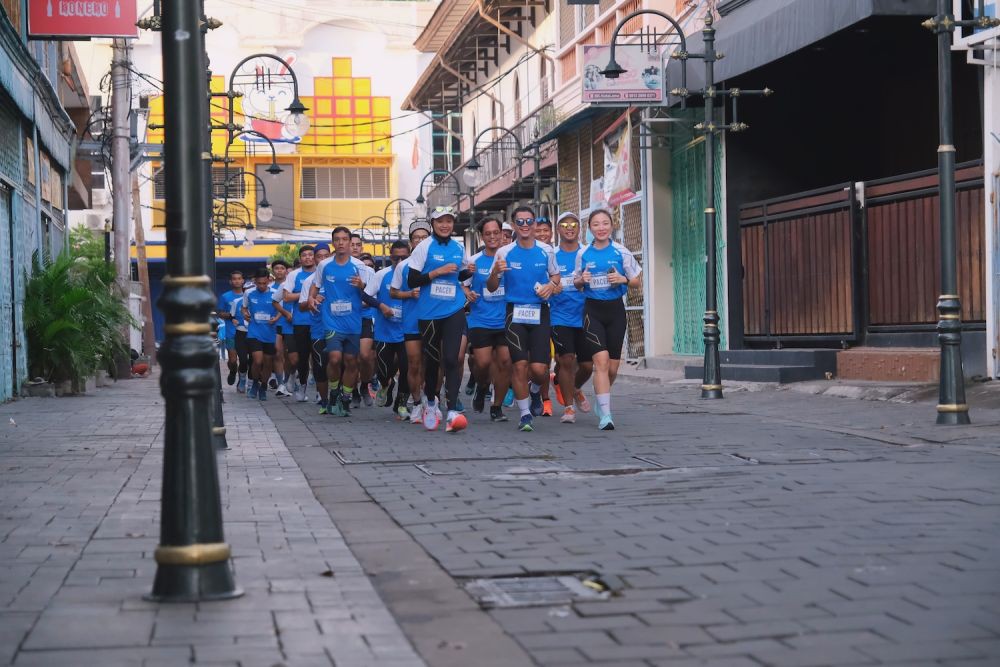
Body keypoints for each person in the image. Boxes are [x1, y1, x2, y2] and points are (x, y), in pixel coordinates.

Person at [487, 205, 560, 432]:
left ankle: (536, 390)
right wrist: (495, 273)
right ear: (514, 225)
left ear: (535, 225)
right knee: (519, 365)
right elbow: (490, 288)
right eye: (521, 222)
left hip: (540, 312)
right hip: (515, 312)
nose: (526, 226)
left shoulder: (546, 250)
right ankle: (525, 414)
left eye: (530, 222)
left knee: (539, 370)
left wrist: (551, 286)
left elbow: (557, 279)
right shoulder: (504, 252)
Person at [573, 208, 642, 430]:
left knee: (612, 368)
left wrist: (622, 278)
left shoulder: (622, 251)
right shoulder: (583, 254)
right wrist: (581, 280)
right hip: (592, 310)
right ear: (590, 228)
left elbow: (636, 281)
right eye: (596, 224)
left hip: (615, 311)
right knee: (600, 362)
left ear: (611, 226)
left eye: (605, 223)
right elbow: (576, 281)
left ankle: (601, 401)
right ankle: (606, 415)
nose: (601, 228)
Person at [406, 207, 473, 433]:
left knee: (452, 358)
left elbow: (460, 274)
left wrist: (468, 271)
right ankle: (432, 403)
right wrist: (436, 272)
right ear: (432, 223)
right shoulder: (424, 247)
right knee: (432, 361)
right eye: (440, 221)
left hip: (453, 308)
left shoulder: (458, 247)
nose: (445, 225)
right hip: (429, 313)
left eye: (449, 221)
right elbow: (411, 279)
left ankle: (453, 410)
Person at [308, 227, 374, 417]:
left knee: (352, 361)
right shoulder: (324, 265)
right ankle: (334, 391)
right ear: (333, 243)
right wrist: (312, 298)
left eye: (345, 239)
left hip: (354, 322)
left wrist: (362, 286)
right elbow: (315, 285)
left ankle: (345, 396)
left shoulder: (360, 266)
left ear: (349, 241)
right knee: (335, 358)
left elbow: (370, 292)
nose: (341, 243)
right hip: (332, 321)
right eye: (337, 239)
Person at [464, 217, 511, 422]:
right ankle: (482, 387)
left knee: (505, 362)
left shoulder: (511, 256)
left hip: (506, 320)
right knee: (482, 363)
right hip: (480, 319)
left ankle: (496, 407)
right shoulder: (473, 261)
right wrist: (467, 293)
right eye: (488, 233)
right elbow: (462, 283)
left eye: (496, 232)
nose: (492, 236)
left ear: (502, 234)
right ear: (481, 236)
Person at [549, 212, 593, 423]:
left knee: (587, 366)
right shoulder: (552, 255)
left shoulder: (587, 253)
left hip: (585, 315)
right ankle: (568, 408)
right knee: (566, 360)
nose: (569, 227)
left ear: (579, 228)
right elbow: (541, 281)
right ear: (558, 229)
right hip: (560, 316)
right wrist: (550, 288)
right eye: (564, 224)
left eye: (573, 224)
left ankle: (575, 389)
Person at [390, 222, 431, 426]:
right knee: (413, 363)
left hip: (435, 321)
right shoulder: (403, 266)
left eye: (425, 237)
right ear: (411, 241)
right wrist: (409, 293)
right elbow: (393, 292)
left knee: (432, 364)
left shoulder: (437, 262)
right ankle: (416, 403)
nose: (421, 241)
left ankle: (431, 400)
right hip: (411, 322)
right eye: (417, 237)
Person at [366, 241, 411, 419]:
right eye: (395, 257)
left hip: (408, 331)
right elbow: (365, 295)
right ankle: (387, 385)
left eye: (404, 257)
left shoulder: (414, 274)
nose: (399, 261)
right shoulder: (381, 275)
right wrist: (381, 306)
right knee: (384, 371)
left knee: (407, 369)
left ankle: (401, 404)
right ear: (389, 256)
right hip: (385, 331)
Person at [242, 267, 291, 401]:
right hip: (254, 331)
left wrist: (276, 318)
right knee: (257, 361)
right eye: (259, 283)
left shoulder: (276, 293)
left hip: (270, 333)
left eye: (264, 283)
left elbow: (281, 309)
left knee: (268, 362)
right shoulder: (249, 293)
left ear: (269, 280)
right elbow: (244, 308)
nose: (262, 286)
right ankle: (254, 384)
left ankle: (264, 386)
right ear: (255, 282)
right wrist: (245, 314)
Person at [279, 245, 317, 402]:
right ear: (300, 258)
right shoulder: (294, 275)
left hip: (320, 321)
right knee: (302, 357)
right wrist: (306, 295)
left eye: (310, 255)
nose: (307, 257)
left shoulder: (320, 273)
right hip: (300, 322)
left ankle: (321, 393)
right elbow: (286, 297)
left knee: (318, 357)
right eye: (304, 255)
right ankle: (302, 386)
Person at [298, 243, 332, 412]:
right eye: (320, 256)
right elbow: (301, 306)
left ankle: (339, 396)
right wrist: (312, 300)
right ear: (315, 259)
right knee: (320, 365)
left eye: (327, 256)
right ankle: (324, 400)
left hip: (339, 328)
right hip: (318, 329)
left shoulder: (338, 277)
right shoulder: (309, 282)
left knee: (338, 363)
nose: (323, 259)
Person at [218, 270, 249, 392]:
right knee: (232, 360)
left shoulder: (248, 295)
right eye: (234, 279)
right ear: (231, 281)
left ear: (243, 281)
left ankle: (242, 380)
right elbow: (220, 312)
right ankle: (232, 371)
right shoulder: (225, 296)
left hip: (247, 332)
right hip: (231, 332)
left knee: (244, 360)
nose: (237, 281)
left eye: (239, 278)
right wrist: (230, 316)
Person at [356, 252, 378, 408]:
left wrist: (362, 288)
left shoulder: (373, 275)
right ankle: (352, 392)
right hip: (345, 319)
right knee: (349, 358)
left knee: (365, 356)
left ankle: (365, 385)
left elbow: (373, 299)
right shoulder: (344, 271)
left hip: (366, 318)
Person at [270, 259, 293, 397]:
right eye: (276, 268)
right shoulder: (269, 287)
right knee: (277, 353)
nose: (279, 270)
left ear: (286, 270)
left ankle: (289, 378)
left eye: (282, 268)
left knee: (290, 356)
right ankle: (281, 384)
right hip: (274, 326)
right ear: (273, 271)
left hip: (290, 323)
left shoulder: (290, 286)